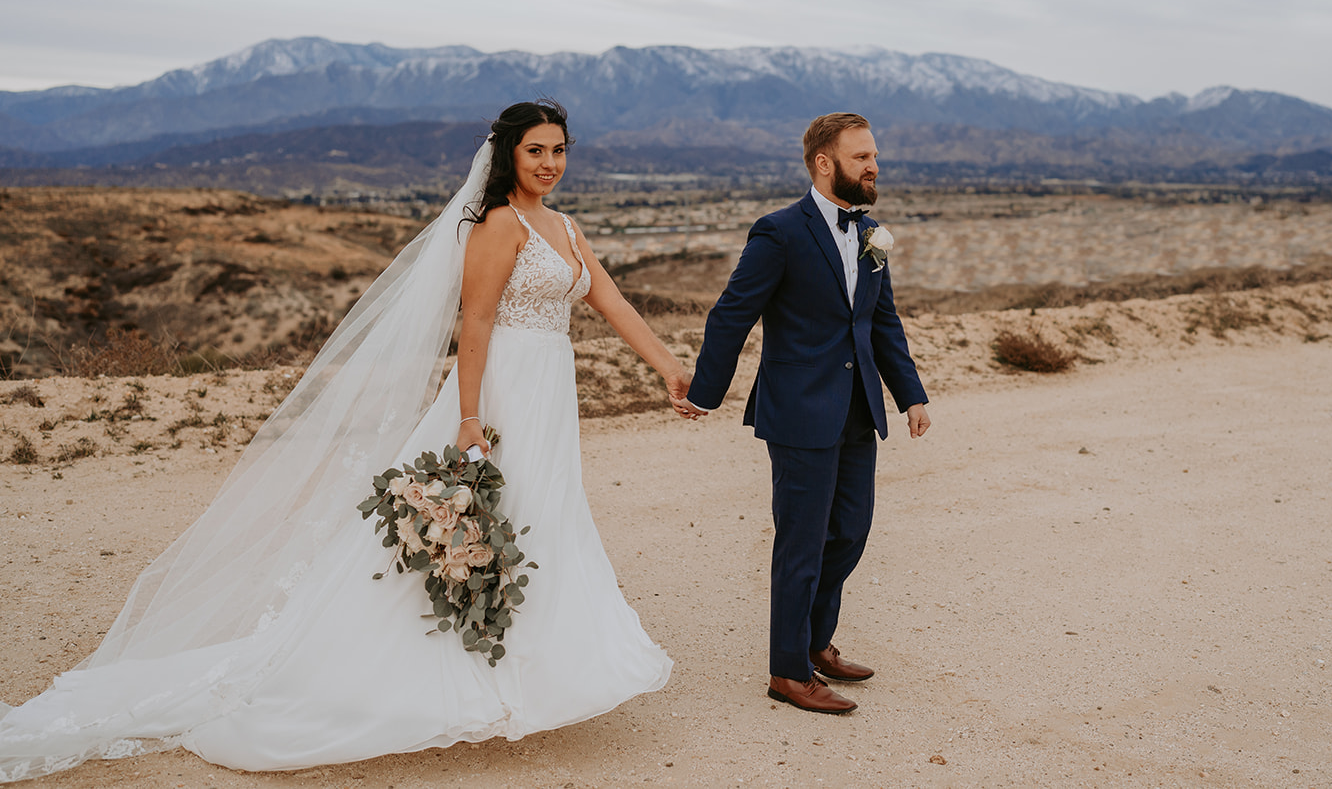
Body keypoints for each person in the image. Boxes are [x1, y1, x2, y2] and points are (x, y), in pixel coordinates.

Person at [0, 100, 684, 781]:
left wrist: (670, 370)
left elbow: (613, 301)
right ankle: (439, 668)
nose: (550, 163)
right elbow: (473, 325)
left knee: (546, 519)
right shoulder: (498, 226)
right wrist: (469, 417)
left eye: (559, 149)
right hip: (502, 393)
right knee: (493, 521)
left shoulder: (563, 227)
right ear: (509, 154)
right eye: (537, 150)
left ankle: (536, 668)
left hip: (551, 397)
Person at [674, 112, 932, 715]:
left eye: (874, 156)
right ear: (824, 162)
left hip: (858, 408)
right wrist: (705, 393)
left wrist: (910, 394)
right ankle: (788, 672)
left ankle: (816, 643)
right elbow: (732, 313)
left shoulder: (871, 236)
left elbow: (880, 322)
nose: (874, 167)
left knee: (850, 532)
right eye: (861, 157)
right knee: (802, 542)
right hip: (797, 411)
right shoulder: (779, 232)